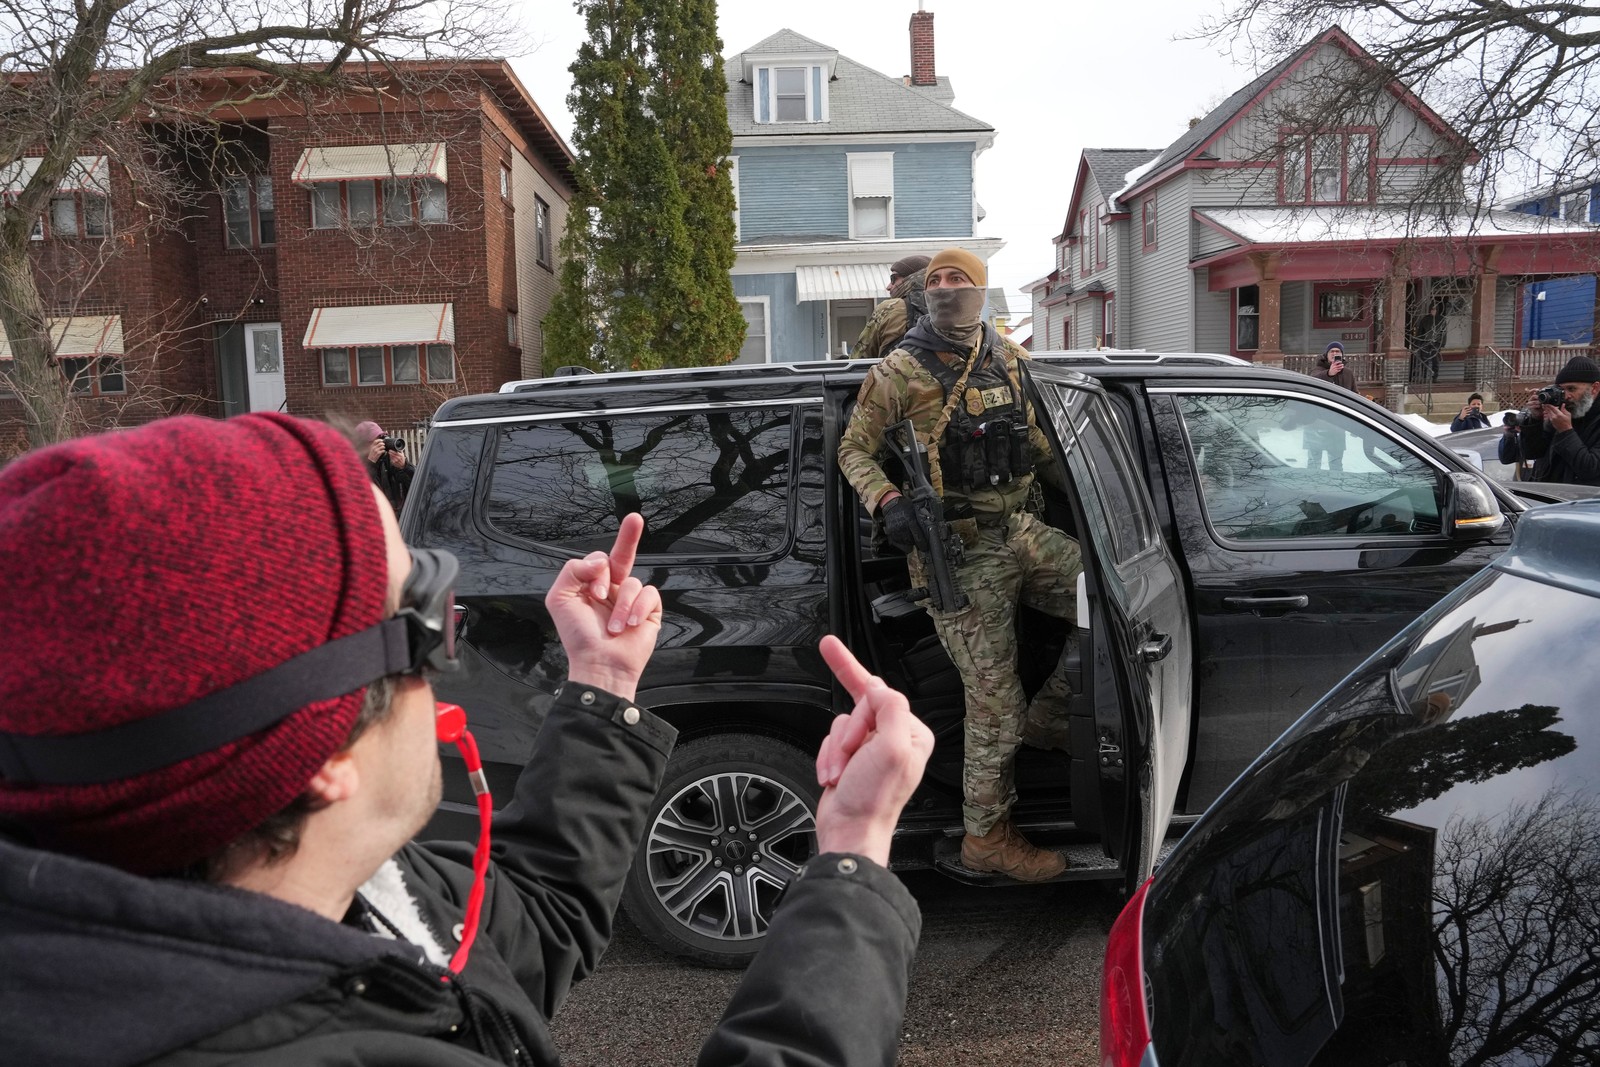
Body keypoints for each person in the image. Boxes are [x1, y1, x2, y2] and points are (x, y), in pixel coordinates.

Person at [0, 413, 933, 1066]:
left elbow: (534, 921)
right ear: (326, 759)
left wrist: (603, 686)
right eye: (419, 613)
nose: (448, 641)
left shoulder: (348, 889)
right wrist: (853, 856)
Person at [838, 246, 1084, 883]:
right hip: (959, 553)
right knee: (994, 702)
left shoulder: (1009, 358)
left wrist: (1093, 498)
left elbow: (1037, 443)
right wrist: (889, 500)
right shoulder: (899, 370)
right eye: (936, 280)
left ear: (979, 289)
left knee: (1116, 604)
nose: (946, 288)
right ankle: (987, 837)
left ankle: (1049, 719)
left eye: (958, 279)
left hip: (1021, 532)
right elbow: (853, 450)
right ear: (923, 292)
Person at [1505, 355, 1600, 486]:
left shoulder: (1569, 420)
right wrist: (1535, 420)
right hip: (1548, 494)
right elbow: (1532, 452)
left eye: (1572, 389)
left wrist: (1566, 431)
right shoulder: (1565, 412)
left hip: (1583, 498)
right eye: (1561, 390)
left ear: (1594, 388)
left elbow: (1591, 469)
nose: (1566, 396)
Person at [853, 253, 931, 359]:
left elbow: (859, 358)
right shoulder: (949, 309)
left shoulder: (890, 308)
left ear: (912, 278)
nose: (889, 287)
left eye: (893, 279)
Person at [1306, 342, 1354, 470]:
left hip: (1337, 425)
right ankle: (1313, 482)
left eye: (1338, 351)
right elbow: (1312, 384)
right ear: (1326, 355)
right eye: (1332, 351)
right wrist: (1329, 374)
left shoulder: (1348, 373)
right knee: (1314, 463)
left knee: (1336, 463)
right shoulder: (1317, 370)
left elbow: (1354, 396)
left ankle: (1336, 482)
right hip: (1316, 424)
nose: (1334, 353)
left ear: (1342, 355)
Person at [1411, 304, 1445, 384]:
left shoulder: (1441, 320)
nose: (1433, 311)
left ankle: (1435, 377)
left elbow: (1443, 332)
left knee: (1435, 360)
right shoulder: (1425, 319)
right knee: (1424, 359)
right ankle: (1424, 377)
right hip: (1425, 342)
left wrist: (1442, 343)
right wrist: (1418, 343)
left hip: (1436, 342)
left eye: (1434, 309)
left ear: (1437, 310)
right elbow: (1420, 332)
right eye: (1432, 309)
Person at [383, 435, 416, 512]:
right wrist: (372, 463)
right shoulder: (363, 463)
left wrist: (404, 467)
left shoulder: (392, 461)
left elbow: (417, 487)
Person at [1498, 411, 1532, 480]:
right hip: (1522, 483)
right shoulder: (1522, 439)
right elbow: (1505, 459)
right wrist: (1509, 437)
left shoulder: (1549, 437)